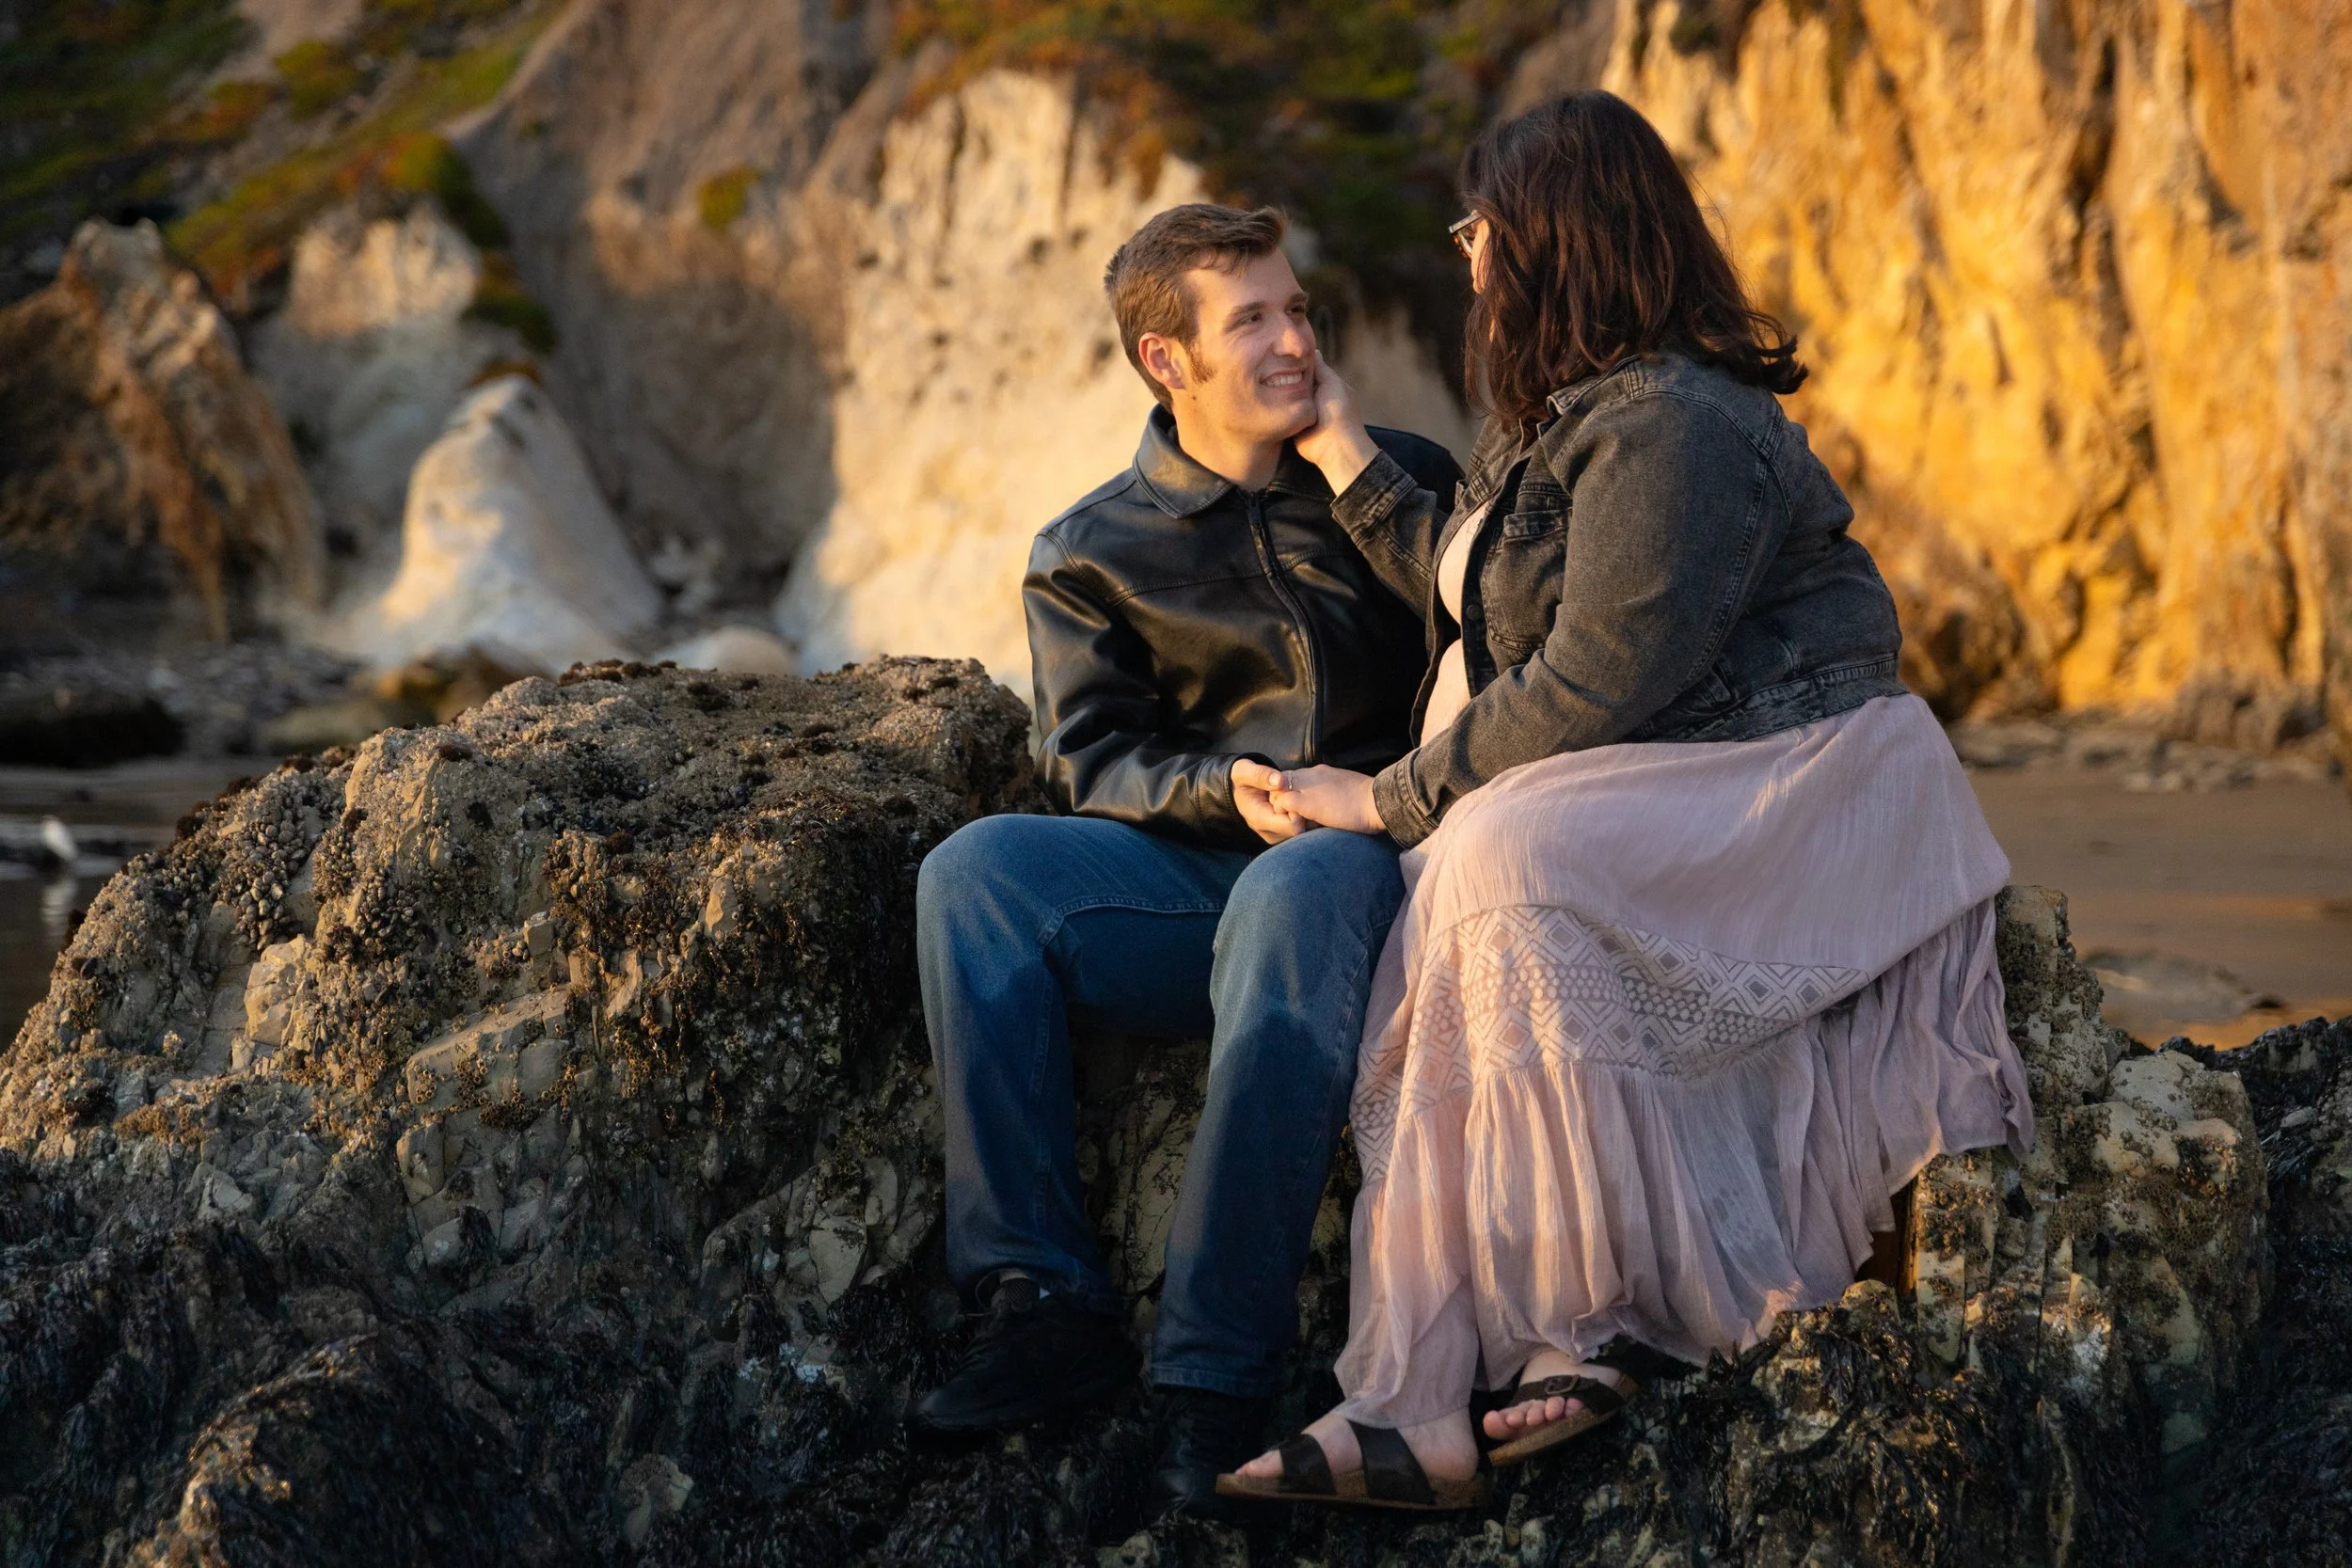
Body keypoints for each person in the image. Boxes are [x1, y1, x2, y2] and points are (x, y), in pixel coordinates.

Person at [1218, 90, 2034, 1511]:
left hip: (1810, 777)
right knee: (1474, 866)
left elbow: (1597, 674)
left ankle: (1591, 1321)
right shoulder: (1564, 417)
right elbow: (1490, 602)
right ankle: (1417, 1395)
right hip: (1686, 771)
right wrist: (1345, 445)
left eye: (1481, 228)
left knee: (1496, 851)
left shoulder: (1678, 421)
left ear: (1554, 235)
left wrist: (1386, 795)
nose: (1470, 258)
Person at [909, 201, 1461, 1518]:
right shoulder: (1090, 551)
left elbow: (1491, 638)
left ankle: (1212, 1375)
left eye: (1296, 309)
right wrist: (1223, 790)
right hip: (1209, 868)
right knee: (973, 876)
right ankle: (1040, 1299)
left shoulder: (1402, 478)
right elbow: (1087, 760)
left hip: (1382, 856)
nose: (1294, 340)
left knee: (1295, 886)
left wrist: (1355, 471)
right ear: (1169, 360)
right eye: (1251, 319)